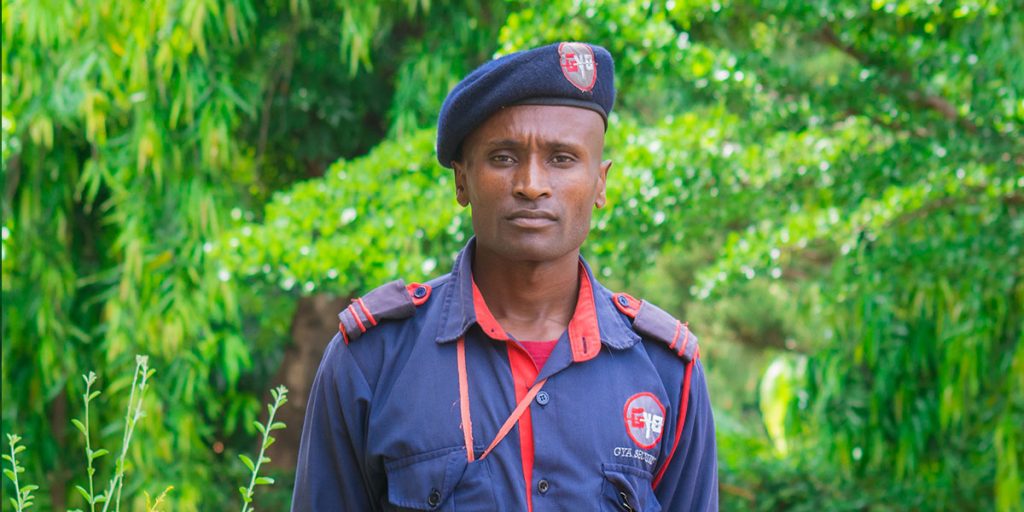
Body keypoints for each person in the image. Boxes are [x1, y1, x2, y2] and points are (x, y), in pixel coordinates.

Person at [292, 41, 718, 511]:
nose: (532, 185)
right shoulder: (373, 360)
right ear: (462, 181)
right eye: (503, 157)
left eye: (562, 158)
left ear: (600, 183)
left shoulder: (665, 370)